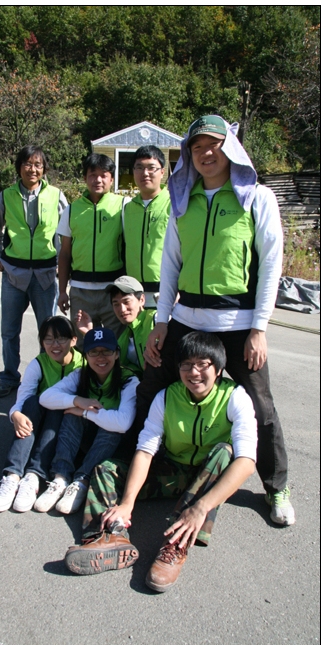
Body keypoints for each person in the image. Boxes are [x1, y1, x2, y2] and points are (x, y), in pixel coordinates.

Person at [137, 114, 294, 526]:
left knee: (260, 405)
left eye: (213, 145)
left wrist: (259, 328)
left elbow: (271, 264)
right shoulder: (182, 199)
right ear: (188, 154)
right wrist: (161, 321)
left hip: (238, 322)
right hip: (186, 317)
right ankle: (138, 467)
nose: (206, 153)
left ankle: (276, 487)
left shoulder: (256, 197)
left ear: (231, 149)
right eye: (197, 147)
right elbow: (171, 263)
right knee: (152, 382)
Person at [63, 332, 257, 592]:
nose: (194, 372)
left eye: (203, 364)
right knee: (106, 469)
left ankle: (175, 546)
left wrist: (201, 508)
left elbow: (247, 461)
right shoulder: (166, 397)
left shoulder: (235, 396)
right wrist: (127, 504)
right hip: (174, 471)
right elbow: (145, 451)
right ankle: (107, 536)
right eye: (186, 365)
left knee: (225, 451)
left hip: (210, 478)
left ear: (219, 369)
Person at [0, 145, 68, 398]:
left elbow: (67, 237)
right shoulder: (6, 196)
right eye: (28, 164)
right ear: (19, 167)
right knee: (9, 331)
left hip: (45, 276)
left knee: (50, 333)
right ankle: (10, 376)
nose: (33, 169)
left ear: (44, 169)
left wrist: (62, 266)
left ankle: (47, 378)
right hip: (14, 275)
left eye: (38, 165)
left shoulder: (56, 196)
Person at [34, 328, 139, 515]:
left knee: (111, 424)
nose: (100, 357)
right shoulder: (80, 374)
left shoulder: (128, 380)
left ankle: (82, 480)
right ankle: (60, 478)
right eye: (94, 352)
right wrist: (77, 401)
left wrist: (85, 413)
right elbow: (45, 397)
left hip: (112, 446)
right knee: (71, 414)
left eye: (106, 351)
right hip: (85, 439)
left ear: (116, 354)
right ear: (86, 355)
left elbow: (123, 423)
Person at [0, 316, 82, 513]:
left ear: (73, 340)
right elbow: (22, 398)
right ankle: (13, 475)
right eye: (48, 339)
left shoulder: (82, 364)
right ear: (41, 342)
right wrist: (15, 414)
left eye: (61, 339)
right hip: (38, 419)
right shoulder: (38, 364)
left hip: (64, 424)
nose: (55, 345)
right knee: (31, 402)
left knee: (59, 407)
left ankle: (33, 475)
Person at [57, 153, 129, 346]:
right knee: (83, 344)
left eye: (104, 175)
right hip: (81, 292)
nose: (98, 180)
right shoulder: (71, 210)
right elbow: (65, 253)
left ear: (112, 179)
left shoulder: (123, 206)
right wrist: (62, 291)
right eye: (92, 175)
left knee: (117, 343)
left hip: (113, 290)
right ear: (85, 178)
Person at [75, 275, 157, 379]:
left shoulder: (156, 320)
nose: (122, 309)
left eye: (126, 302)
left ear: (142, 300)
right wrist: (88, 333)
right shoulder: (124, 336)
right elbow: (106, 362)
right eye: (116, 304)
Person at [123, 146, 171, 308]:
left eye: (151, 168)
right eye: (139, 167)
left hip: (165, 291)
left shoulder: (174, 204)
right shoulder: (128, 208)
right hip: (133, 292)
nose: (145, 173)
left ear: (162, 172)